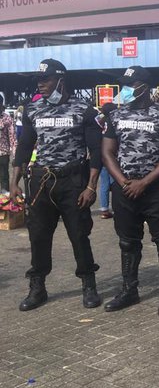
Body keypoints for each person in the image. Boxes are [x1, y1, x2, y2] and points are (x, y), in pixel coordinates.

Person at [10, 59, 103, 311]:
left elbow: (96, 151)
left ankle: (89, 284)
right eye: (38, 80)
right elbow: (25, 146)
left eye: (46, 79)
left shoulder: (84, 110)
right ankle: (37, 287)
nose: (41, 84)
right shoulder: (32, 109)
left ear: (61, 80)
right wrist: (15, 182)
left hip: (73, 181)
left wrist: (91, 186)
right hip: (41, 181)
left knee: (79, 235)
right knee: (38, 235)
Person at [101, 66, 159, 315]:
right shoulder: (116, 116)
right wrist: (124, 182)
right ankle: (129, 290)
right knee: (127, 241)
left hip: (156, 188)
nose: (125, 90)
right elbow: (107, 152)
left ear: (144, 87)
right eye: (124, 84)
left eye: (130, 85)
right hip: (124, 188)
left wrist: (144, 182)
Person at [0, 95, 16, 193]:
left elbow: (12, 138)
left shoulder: (7, 119)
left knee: (4, 178)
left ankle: (4, 199)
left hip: (3, 154)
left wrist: (15, 156)